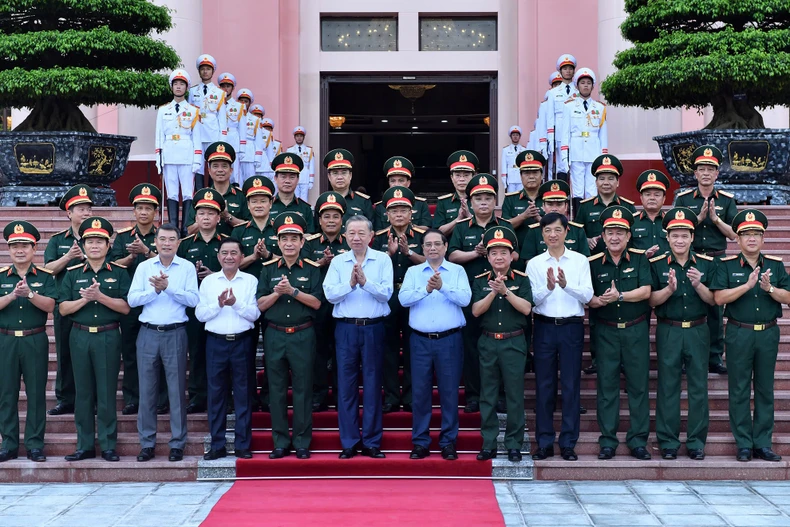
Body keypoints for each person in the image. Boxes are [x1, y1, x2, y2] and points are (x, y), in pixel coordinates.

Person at [710, 209, 790, 462]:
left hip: (767, 333)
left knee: (765, 389)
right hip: (738, 333)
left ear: (763, 239)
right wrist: (746, 286)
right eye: (746, 234)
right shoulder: (726, 265)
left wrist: (770, 288)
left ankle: (763, 444)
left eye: (756, 234)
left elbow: (788, 297)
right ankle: (744, 443)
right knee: (739, 389)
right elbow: (718, 298)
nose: (752, 238)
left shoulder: (775, 266)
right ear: (738, 239)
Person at [59, 217, 130, 462]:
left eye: (100, 241)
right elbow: (63, 309)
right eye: (90, 241)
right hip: (79, 336)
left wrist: (100, 297)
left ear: (108, 245)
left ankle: (108, 445)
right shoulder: (73, 274)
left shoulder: (119, 273)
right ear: (83, 245)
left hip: (108, 335)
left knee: (107, 392)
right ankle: (85, 445)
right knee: (83, 392)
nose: (95, 246)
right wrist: (85, 299)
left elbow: (126, 307)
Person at [127, 223, 200, 463]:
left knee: (176, 391)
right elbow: (133, 299)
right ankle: (147, 443)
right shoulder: (144, 267)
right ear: (155, 242)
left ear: (178, 243)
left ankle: (177, 443)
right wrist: (155, 292)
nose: (167, 243)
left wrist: (168, 288)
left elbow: (193, 300)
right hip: (147, 333)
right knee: (147, 391)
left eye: (171, 239)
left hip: (175, 333)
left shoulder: (186, 267)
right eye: (162, 239)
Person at [648, 207, 716, 460]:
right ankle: (668, 442)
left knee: (698, 387)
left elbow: (713, 300)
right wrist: (668, 290)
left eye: (684, 235)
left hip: (698, 329)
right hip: (669, 329)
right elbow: (650, 300)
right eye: (675, 235)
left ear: (692, 237)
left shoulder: (706, 264)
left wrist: (699, 285)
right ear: (667, 237)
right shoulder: (656, 264)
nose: (679, 240)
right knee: (668, 387)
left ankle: (696, 442)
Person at [323, 215, 393, 459]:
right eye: (352, 233)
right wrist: (351, 284)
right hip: (346, 329)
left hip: (373, 328)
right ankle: (349, 441)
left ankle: (372, 442)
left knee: (373, 386)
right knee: (346, 386)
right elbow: (330, 294)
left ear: (371, 236)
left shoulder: (382, 259)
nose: (356, 237)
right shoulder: (338, 262)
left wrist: (365, 282)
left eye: (361, 233)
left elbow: (386, 294)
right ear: (345, 236)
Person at [399, 228, 470, 461]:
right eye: (427, 244)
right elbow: (403, 299)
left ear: (445, 247)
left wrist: (442, 287)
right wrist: (427, 289)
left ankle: (448, 442)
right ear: (422, 248)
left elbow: (465, 299)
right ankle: (420, 442)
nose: (432, 248)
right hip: (420, 341)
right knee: (420, 393)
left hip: (449, 340)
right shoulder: (413, 272)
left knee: (449, 393)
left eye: (437, 244)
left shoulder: (457, 271)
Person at [527, 212, 593, 461]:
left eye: (557, 230)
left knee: (570, 385)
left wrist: (566, 286)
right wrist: (548, 288)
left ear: (566, 231)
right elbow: (532, 301)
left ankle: (568, 443)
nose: (552, 235)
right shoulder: (534, 264)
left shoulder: (579, 261)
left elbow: (587, 295)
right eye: (547, 230)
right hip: (544, 327)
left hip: (571, 327)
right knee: (544, 385)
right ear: (542, 234)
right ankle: (544, 442)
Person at [587, 206, 652, 461]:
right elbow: (588, 297)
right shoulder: (593, 263)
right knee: (607, 387)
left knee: (638, 387)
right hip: (606, 331)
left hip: (635, 329)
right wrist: (599, 301)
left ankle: (638, 441)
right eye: (610, 232)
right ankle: (608, 441)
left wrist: (620, 296)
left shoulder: (639, 258)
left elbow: (646, 291)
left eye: (620, 232)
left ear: (628, 236)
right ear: (603, 236)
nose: (615, 237)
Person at [257, 213, 323, 459]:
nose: (289, 243)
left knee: (303, 390)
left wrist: (292, 291)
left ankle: (302, 442)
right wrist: (278, 293)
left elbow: (317, 303)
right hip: (275, 334)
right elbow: (260, 305)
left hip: (302, 334)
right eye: (284, 239)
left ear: (302, 242)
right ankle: (280, 442)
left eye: (294, 238)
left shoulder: (312, 269)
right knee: (276, 390)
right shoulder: (268, 269)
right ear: (278, 241)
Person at [448, 173, 512, 414]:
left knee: (501, 347)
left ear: (495, 201)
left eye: (488, 198)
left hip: (502, 292)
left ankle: (501, 395)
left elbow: (515, 255)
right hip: (472, 295)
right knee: (472, 347)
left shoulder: (505, 226)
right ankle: (474, 395)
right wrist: (476, 253)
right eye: (478, 198)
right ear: (470, 202)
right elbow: (452, 255)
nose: (483, 203)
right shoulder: (462, 227)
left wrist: (496, 252)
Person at [472, 227, 533, 462]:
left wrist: (505, 291)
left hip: (513, 342)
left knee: (514, 395)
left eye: (503, 253)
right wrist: (492, 292)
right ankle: (488, 443)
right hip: (488, 342)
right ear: (488, 257)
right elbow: (476, 311)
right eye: (494, 253)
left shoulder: (522, 279)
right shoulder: (480, 281)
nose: (499, 257)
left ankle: (514, 444)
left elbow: (526, 309)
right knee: (487, 395)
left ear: (511, 256)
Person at [675, 145, 737, 375]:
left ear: (717, 173)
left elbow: (734, 234)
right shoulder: (683, 199)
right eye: (702, 169)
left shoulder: (727, 201)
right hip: (690, 259)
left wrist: (716, 219)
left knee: (715, 310)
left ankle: (714, 357)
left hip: (716, 261)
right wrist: (699, 219)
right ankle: (686, 357)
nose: (706, 173)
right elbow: (676, 231)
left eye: (710, 169)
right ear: (695, 173)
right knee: (688, 306)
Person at [197, 238, 260, 460]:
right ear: (218, 256)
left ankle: (243, 444)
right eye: (224, 253)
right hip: (216, 342)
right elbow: (200, 315)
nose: (229, 257)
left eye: (234, 253)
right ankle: (217, 444)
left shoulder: (250, 280)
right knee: (216, 395)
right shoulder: (209, 282)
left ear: (242, 257)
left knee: (243, 394)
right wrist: (219, 304)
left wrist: (235, 304)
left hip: (242, 342)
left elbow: (254, 314)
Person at [0, 221, 56, 463]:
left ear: (34, 249)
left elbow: (51, 305)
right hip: (6, 340)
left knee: (35, 394)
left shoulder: (44, 276)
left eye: (24, 245)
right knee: (6, 393)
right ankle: (8, 444)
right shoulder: (1, 276)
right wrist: (12, 295)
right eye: (15, 246)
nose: (19, 250)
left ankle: (34, 444)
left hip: (34, 339)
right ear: (8, 250)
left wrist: (30, 294)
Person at [373, 186, 426, 413]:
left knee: (413, 348)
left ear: (411, 213)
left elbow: (432, 264)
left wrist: (408, 253)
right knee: (389, 349)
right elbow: (371, 268)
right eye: (394, 210)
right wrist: (389, 254)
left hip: (415, 296)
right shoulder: (377, 238)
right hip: (388, 296)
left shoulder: (423, 236)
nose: (399, 214)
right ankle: (392, 396)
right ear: (387, 214)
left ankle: (412, 396)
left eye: (403, 210)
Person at [110, 183, 161, 415]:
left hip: (158, 301)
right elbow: (112, 265)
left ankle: (160, 399)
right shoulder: (123, 237)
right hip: (130, 303)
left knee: (159, 353)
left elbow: (169, 261)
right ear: (134, 211)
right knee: (130, 352)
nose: (143, 212)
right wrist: (130, 257)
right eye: (139, 208)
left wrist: (147, 252)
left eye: (148, 208)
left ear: (155, 212)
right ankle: (132, 398)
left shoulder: (163, 235)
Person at [177, 188, 228, 414]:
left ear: (218, 218)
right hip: (195, 307)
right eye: (201, 213)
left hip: (223, 306)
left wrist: (214, 275)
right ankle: (198, 396)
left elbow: (236, 272)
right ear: (195, 218)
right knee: (196, 352)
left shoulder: (227, 244)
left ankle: (224, 397)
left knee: (222, 354)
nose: (206, 218)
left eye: (211, 213)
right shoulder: (185, 244)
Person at [44, 184, 93, 416]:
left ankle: (91, 399)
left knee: (90, 354)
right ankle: (65, 399)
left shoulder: (97, 237)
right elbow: (47, 269)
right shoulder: (57, 240)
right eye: (80, 209)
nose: (86, 213)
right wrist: (68, 256)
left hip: (90, 302)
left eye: (88, 209)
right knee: (64, 353)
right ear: (69, 213)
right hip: (64, 303)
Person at [232, 175, 279, 412]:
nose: (258, 205)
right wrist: (253, 257)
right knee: (246, 352)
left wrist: (269, 256)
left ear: (271, 203)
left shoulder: (281, 227)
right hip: (246, 298)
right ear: (248, 205)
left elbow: (291, 259)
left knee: (273, 353)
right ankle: (249, 398)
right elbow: (230, 264)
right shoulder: (240, 231)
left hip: (275, 298)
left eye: (263, 200)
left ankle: (269, 397)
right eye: (254, 201)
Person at [303, 192, 350, 412]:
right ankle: (319, 395)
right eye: (326, 216)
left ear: (342, 220)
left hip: (344, 303)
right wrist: (320, 263)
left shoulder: (350, 241)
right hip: (318, 304)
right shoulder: (309, 243)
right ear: (319, 220)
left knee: (343, 352)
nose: (331, 221)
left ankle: (342, 395)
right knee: (319, 351)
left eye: (335, 216)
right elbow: (301, 269)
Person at [155, 69, 203, 234]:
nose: (178, 87)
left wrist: (197, 159)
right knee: (172, 193)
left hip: (187, 155)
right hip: (169, 155)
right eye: (175, 84)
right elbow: (159, 135)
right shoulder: (163, 110)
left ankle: (186, 227)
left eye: (182, 84)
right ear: (171, 87)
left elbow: (197, 137)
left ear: (186, 88)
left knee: (188, 192)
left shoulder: (193, 110)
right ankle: (173, 226)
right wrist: (158, 158)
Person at [558, 68, 608, 206]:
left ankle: (591, 215)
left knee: (592, 188)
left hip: (593, 152)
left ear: (592, 86)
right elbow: (565, 133)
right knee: (577, 189)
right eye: (583, 83)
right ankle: (578, 217)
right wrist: (564, 156)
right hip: (576, 152)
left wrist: (603, 156)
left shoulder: (600, 107)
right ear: (577, 86)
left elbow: (603, 135)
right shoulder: (569, 106)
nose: (586, 85)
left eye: (588, 83)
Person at [184, 142, 249, 237]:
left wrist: (228, 217)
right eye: (215, 166)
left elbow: (250, 228)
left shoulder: (241, 196)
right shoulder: (200, 196)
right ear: (209, 171)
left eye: (224, 166)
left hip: (233, 245)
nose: (220, 170)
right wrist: (207, 219)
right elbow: (190, 230)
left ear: (231, 170)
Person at [574, 155, 636, 255]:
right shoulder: (585, 207)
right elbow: (576, 234)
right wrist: (587, 240)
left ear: (618, 182)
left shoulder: (627, 207)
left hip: (622, 260)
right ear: (596, 182)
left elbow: (634, 236)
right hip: (593, 259)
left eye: (611, 179)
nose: (606, 183)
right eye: (602, 179)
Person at [520, 180, 590, 263]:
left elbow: (584, 261)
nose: (554, 209)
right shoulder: (534, 231)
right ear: (543, 206)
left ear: (566, 206)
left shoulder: (577, 230)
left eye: (559, 204)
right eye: (550, 204)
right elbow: (529, 262)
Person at [188, 54, 227, 189]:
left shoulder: (219, 92)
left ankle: (213, 192)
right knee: (198, 166)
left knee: (213, 164)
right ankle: (199, 193)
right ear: (199, 71)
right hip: (197, 134)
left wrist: (222, 139)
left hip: (212, 134)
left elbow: (222, 118)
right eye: (202, 69)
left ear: (213, 71)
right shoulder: (192, 91)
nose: (205, 72)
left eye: (208, 69)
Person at [373, 156, 432, 230]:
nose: (396, 184)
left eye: (401, 181)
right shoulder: (380, 206)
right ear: (389, 183)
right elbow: (377, 232)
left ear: (408, 183)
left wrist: (407, 227)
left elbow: (427, 229)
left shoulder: (420, 204)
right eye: (393, 181)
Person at [501, 150, 546, 245]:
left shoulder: (549, 199)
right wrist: (523, 216)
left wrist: (539, 218)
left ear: (541, 175)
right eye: (527, 173)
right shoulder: (511, 199)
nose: (531, 177)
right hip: (518, 249)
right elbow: (504, 227)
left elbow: (558, 225)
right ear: (520, 176)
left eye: (535, 172)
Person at [546, 54, 578, 178]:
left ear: (574, 71)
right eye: (565, 69)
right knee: (561, 166)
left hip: (575, 134)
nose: (568, 71)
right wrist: (550, 139)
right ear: (560, 71)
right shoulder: (553, 93)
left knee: (576, 166)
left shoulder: (579, 92)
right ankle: (563, 190)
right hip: (559, 135)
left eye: (570, 68)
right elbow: (550, 118)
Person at [323, 148, 374, 224]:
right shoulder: (323, 202)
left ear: (350, 175)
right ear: (329, 177)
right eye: (335, 173)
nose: (340, 177)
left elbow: (371, 229)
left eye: (344, 173)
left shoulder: (363, 201)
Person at [433, 150, 477, 236]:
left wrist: (469, 216)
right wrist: (458, 218)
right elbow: (437, 233)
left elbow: (486, 229)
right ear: (451, 178)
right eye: (457, 175)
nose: (462, 179)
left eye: (466, 175)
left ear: (473, 177)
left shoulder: (480, 200)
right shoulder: (444, 202)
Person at [269, 153, 315, 233]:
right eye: (283, 177)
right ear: (275, 178)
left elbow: (310, 236)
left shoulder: (305, 209)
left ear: (298, 179)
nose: (287, 181)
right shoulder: (267, 206)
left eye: (292, 177)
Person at [631, 170, 671, 258]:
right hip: (640, 266)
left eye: (657, 195)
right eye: (648, 194)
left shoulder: (671, 221)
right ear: (641, 198)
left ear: (664, 199)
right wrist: (643, 257)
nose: (652, 198)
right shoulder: (631, 222)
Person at [216, 72, 245, 182]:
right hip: (219, 139)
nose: (225, 89)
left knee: (234, 173)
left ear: (233, 88)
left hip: (233, 140)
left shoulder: (239, 106)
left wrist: (242, 149)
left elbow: (242, 129)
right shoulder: (215, 103)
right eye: (223, 86)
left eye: (228, 86)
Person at [237, 90, 269, 185]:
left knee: (250, 181)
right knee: (235, 180)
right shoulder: (232, 115)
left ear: (250, 103)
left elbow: (258, 141)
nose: (243, 103)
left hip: (249, 153)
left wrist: (258, 157)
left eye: (246, 101)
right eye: (241, 101)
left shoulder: (255, 120)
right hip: (235, 150)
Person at [286, 126, 314, 201]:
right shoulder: (290, 150)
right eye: (297, 136)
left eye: (301, 136)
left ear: (304, 137)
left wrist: (311, 180)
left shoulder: (309, 150)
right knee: (295, 198)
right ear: (294, 137)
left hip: (305, 178)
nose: (299, 138)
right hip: (294, 177)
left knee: (304, 199)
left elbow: (311, 166)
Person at [501, 126, 527, 193]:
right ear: (511, 136)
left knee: (521, 197)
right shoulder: (506, 150)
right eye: (513, 135)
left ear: (519, 137)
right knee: (511, 196)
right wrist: (504, 180)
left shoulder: (524, 149)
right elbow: (504, 165)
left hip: (520, 178)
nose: (515, 137)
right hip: (510, 179)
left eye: (517, 135)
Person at [260, 117, 282, 185]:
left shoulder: (277, 144)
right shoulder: (259, 141)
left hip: (273, 170)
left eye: (268, 129)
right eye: (265, 128)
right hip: (261, 168)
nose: (266, 130)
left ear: (271, 130)